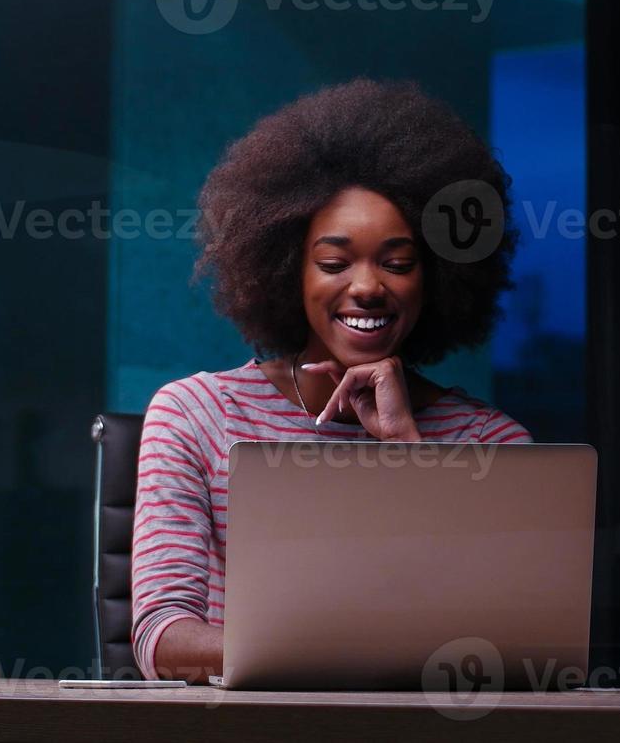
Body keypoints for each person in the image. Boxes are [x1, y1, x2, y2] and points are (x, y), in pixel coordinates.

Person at [129, 79, 532, 683]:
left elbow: (514, 642)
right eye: (335, 262)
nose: (368, 286)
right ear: (288, 271)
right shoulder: (197, 414)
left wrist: (405, 450)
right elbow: (162, 637)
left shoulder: (490, 443)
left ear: (439, 278)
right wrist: (346, 646)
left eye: (397, 263)